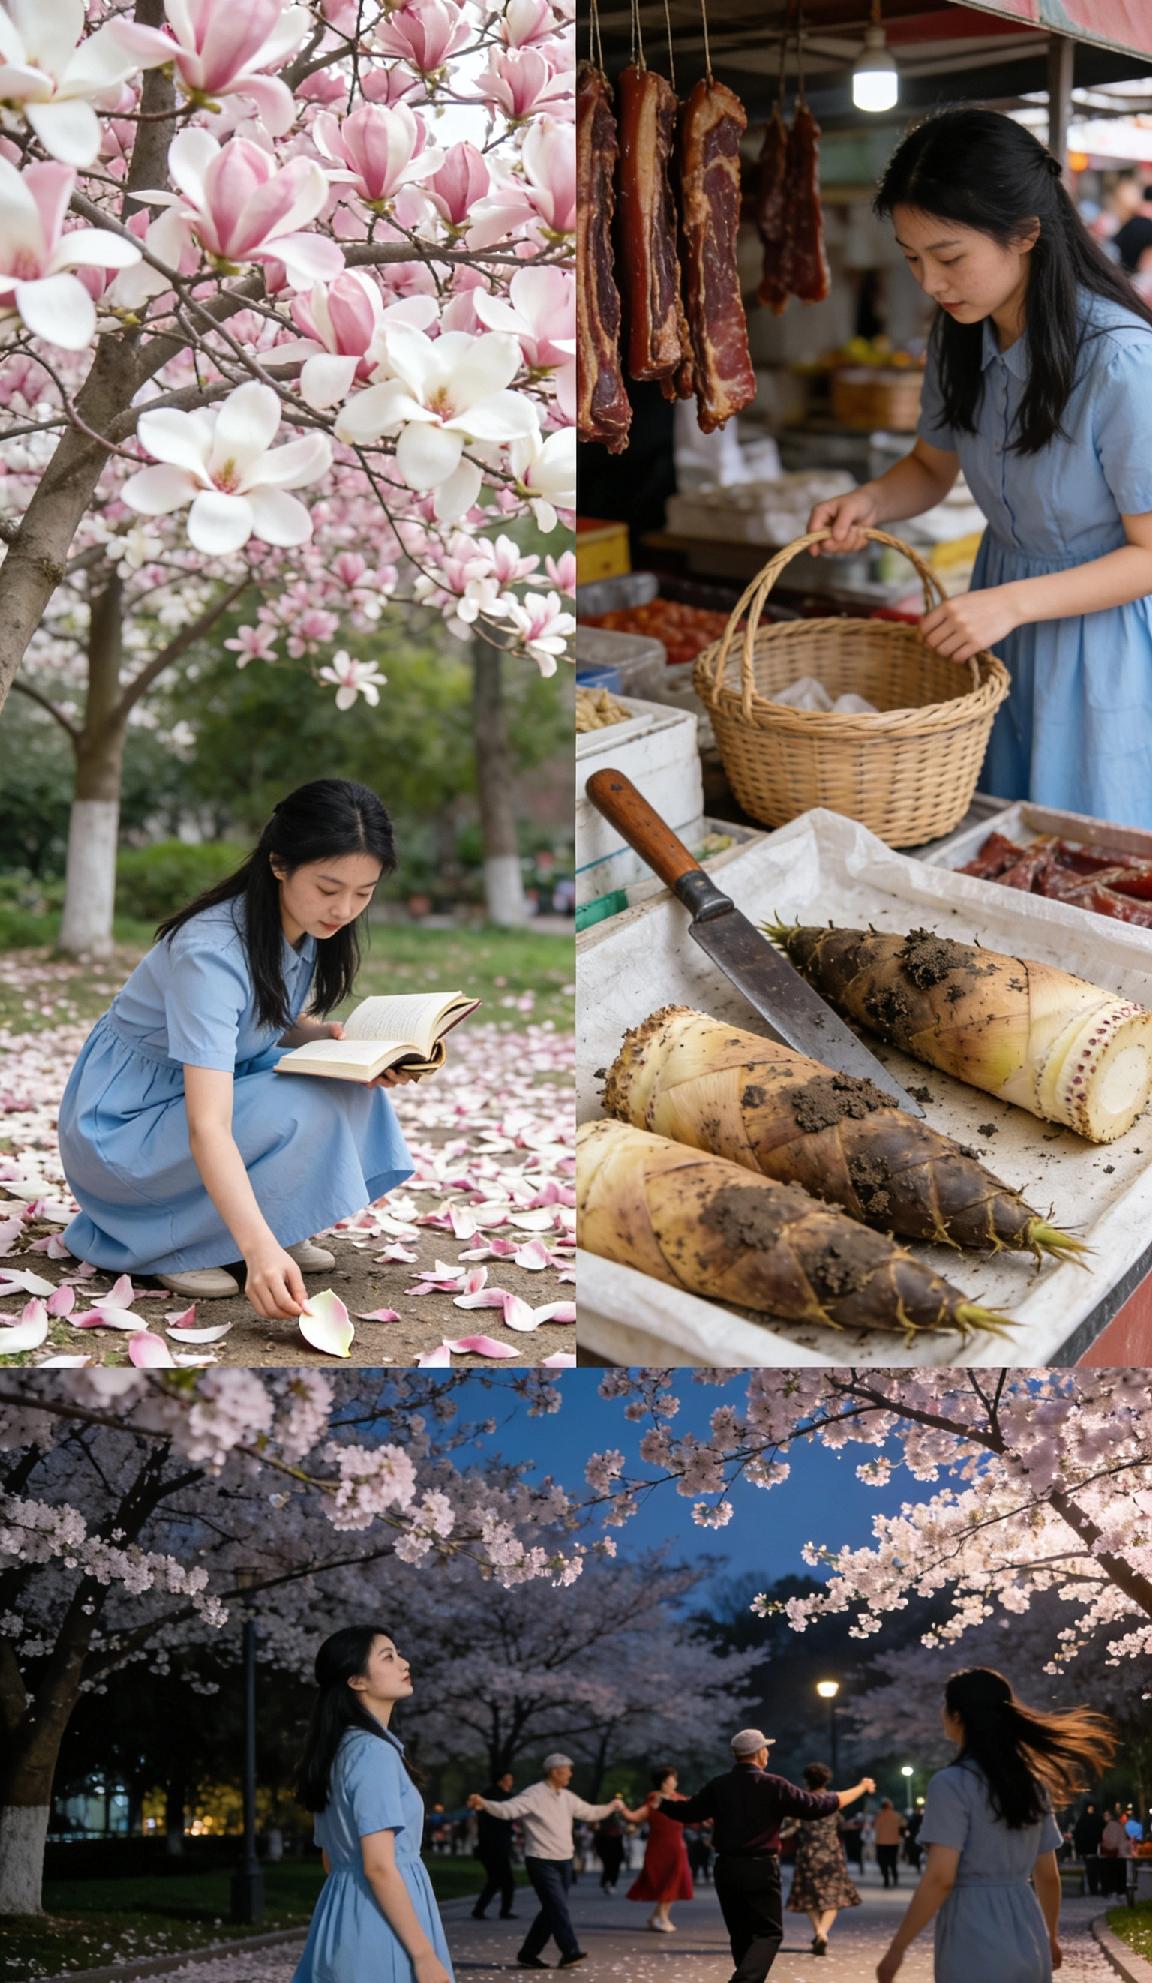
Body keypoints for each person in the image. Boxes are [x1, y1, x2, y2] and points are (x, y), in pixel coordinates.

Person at [808, 108, 1152, 831]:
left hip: (1101, 636)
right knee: (993, 831)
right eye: (911, 257)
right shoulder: (960, 332)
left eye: (949, 255)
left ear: (1026, 234)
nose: (930, 281)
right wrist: (869, 500)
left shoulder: (1120, 360)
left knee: (1081, 847)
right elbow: (932, 468)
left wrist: (1016, 603)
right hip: (997, 612)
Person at [58, 779, 416, 1311]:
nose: (344, 909)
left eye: (363, 893)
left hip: (184, 1100)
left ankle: (255, 1225)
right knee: (303, 1098)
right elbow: (208, 1125)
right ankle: (181, 1243)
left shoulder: (299, 923)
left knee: (347, 1084)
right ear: (278, 864)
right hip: (126, 1131)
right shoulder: (210, 951)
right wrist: (259, 1251)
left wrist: (326, 1038)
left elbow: (260, 1014)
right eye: (328, 888)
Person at [875, 1666, 1116, 1983]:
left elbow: (940, 1877)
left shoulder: (951, 1784)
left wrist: (897, 1949)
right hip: (1027, 1927)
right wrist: (1051, 1937)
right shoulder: (1031, 1785)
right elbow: (1047, 1874)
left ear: (957, 1715)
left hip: (972, 1927)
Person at [292, 1624, 453, 1983]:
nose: (404, 1663)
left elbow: (330, 1857)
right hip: (381, 1921)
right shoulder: (372, 1753)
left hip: (344, 1910)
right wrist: (423, 1954)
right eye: (388, 1657)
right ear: (356, 1680)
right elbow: (379, 1866)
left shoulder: (340, 1749)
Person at [661, 1726, 875, 1983]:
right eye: (766, 1749)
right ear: (759, 1753)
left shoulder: (719, 1785)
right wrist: (860, 1789)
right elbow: (818, 1806)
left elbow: (689, 1811)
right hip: (760, 1867)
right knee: (768, 1933)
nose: (768, 1754)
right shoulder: (773, 1785)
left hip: (726, 1867)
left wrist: (661, 1804)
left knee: (740, 1933)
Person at [468, 1753, 623, 1970]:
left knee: (552, 1909)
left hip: (564, 1861)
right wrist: (484, 1803)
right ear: (554, 1771)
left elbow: (588, 1812)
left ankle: (528, 1954)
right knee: (557, 1907)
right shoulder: (534, 1794)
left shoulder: (566, 1796)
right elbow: (508, 1810)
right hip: (541, 1860)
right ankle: (570, 1952)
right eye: (567, 1769)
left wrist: (611, 1806)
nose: (570, 1773)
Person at [785, 1761, 862, 1957]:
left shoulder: (802, 1801)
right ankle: (822, 1933)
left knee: (809, 1897)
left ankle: (819, 1933)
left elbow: (793, 1828)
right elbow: (841, 1825)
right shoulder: (833, 1801)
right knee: (832, 1897)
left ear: (806, 1780)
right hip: (831, 1853)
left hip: (808, 1853)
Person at [620, 1765, 694, 1933]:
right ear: (663, 1783)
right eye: (672, 1779)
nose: (675, 1782)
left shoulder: (678, 1798)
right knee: (664, 1882)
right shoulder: (653, 1800)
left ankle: (658, 1917)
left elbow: (696, 1811)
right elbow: (634, 1816)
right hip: (659, 1848)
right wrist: (622, 1808)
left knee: (675, 1882)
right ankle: (661, 1917)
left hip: (677, 1847)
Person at [473, 1772, 518, 1922]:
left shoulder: (487, 1796)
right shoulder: (502, 1798)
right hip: (496, 1845)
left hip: (489, 1845)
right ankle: (501, 1911)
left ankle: (482, 1909)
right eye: (508, 1780)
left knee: (497, 1879)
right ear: (500, 1781)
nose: (510, 1783)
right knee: (503, 1880)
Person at [874, 1799, 906, 1888]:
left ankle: (886, 1879)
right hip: (893, 1842)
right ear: (890, 1806)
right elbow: (903, 1827)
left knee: (883, 1862)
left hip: (881, 1842)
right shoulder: (897, 1816)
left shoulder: (878, 1816)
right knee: (893, 1862)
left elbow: (875, 1827)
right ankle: (895, 1877)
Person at [594, 1806, 627, 1893]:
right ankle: (608, 1882)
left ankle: (610, 1882)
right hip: (607, 1846)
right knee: (609, 1866)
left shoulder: (616, 1826)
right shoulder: (603, 1827)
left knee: (612, 1866)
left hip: (613, 1847)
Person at [1101, 1805, 1131, 1897]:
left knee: (1111, 1872)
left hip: (1113, 1853)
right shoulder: (1119, 1826)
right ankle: (1120, 1889)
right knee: (1120, 1874)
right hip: (1119, 1853)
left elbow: (1109, 1840)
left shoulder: (1110, 1826)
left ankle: (1111, 1889)